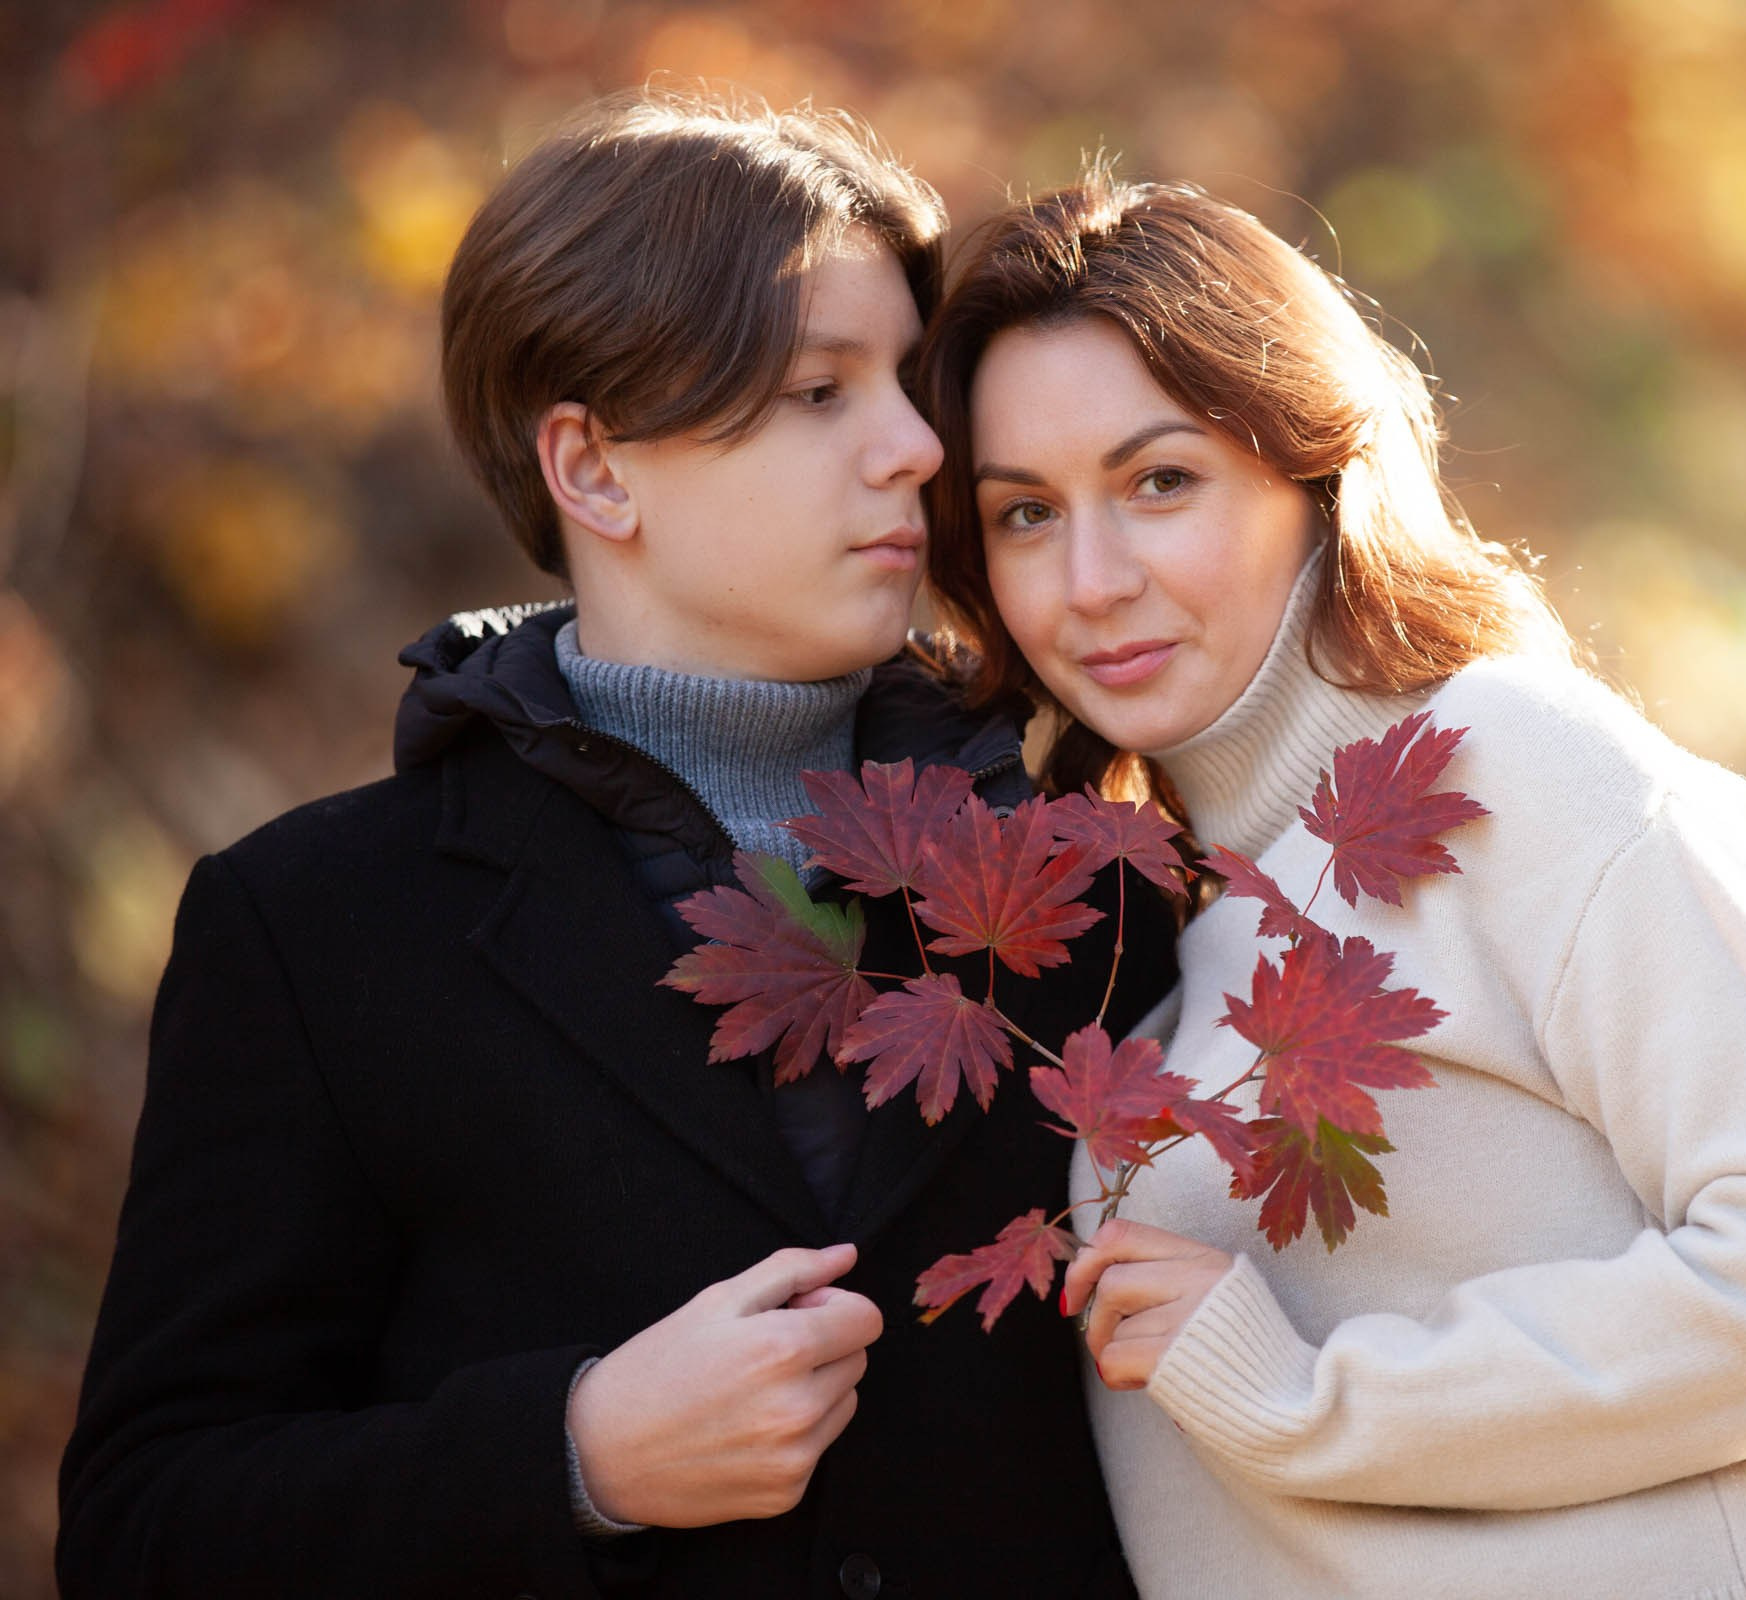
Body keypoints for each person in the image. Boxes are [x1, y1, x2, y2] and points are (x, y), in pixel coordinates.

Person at [57, 94, 1166, 1599]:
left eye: (908, 385)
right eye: (820, 393)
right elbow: (149, 1525)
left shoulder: (1101, 871)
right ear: (592, 468)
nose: (916, 449)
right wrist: (571, 1458)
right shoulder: (314, 927)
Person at [916, 173, 1746, 1599]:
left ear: (1314, 472)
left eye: (1159, 480)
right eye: (1025, 515)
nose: (1090, 579)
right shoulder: (1158, 927)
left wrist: (1312, 1399)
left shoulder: (1520, 771)